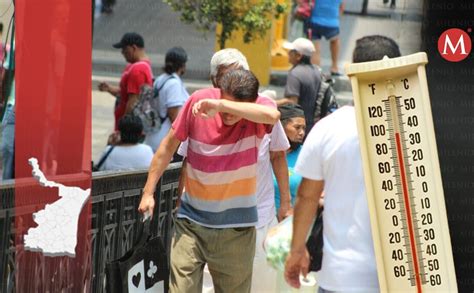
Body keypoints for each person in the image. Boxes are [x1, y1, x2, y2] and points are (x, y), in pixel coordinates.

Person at [138, 69, 280, 293]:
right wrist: (148, 192)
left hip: (236, 231)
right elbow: (167, 147)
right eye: (225, 101)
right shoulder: (198, 102)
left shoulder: (258, 112)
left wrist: (222, 106)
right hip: (191, 223)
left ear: (252, 101)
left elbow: (272, 116)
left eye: (235, 108)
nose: (228, 115)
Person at [284, 35, 402, 292]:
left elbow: (307, 196)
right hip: (400, 278)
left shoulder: (329, 128)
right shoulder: (414, 129)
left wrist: (296, 249)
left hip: (339, 278)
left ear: (351, 74)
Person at [177, 49, 291, 292]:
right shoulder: (201, 110)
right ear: (215, 83)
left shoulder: (261, 110)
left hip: (256, 215)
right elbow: (188, 161)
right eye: (226, 81)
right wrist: (180, 202)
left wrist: (285, 203)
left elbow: (278, 156)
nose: (233, 90)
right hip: (205, 220)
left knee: (258, 282)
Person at [98, 32, 153, 134]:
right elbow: (126, 94)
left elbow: (133, 99)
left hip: (129, 129)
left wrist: (123, 128)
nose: (122, 52)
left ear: (133, 48)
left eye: (124, 49)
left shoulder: (138, 69)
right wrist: (109, 89)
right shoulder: (136, 66)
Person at [144, 47, 189, 152]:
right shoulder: (174, 84)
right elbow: (173, 115)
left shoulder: (161, 79)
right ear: (182, 66)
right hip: (164, 139)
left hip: (154, 134)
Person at [279, 37, 321, 134]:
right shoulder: (316, 71)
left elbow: (292, 101)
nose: (288, 54)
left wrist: (272, 102)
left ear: (298, 55)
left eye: (291, 52)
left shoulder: (295, 73)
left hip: (297, 127)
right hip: (311, 124)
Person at [273, 103, 306, 208]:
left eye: (304, 128)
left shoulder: (306, 155)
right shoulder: (264, 153)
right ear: (281, 127)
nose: (302, 133)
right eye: (297, 127)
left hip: (289, 220)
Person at [304, 0, 344, 76]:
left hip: (315, 21)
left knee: (315, 49)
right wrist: (336, 17)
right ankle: (334, 67)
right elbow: (341, 7)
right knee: (335, 41)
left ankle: (316, 72)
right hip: (332, 22)